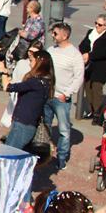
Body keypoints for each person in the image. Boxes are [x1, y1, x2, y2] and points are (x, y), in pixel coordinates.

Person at [45, 22, 85, 171]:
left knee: (64, 130)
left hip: (61, 98)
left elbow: (79, 77)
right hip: (47, 95)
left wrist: (67, 94)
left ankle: (61, 158)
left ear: (65, 35)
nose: (53, 36)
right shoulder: (51, 50)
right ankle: (45, 154)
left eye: (55, 33)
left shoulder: (74, 55)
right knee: (45, 126)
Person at [4, 49, 55, 150]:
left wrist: (3, 72)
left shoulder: (35, 82)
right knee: (16, 153)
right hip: (29, 123)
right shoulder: (46, 81)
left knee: (10, 154)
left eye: (32, 60)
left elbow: (7, 87)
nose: (29, 63)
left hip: (23, 124)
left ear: (39, 63)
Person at [78, 15, 106, 121]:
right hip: (88, 65)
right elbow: (83, 44)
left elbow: (103, 52)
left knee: (96, 88)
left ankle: (98, 113)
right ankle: (91, 110)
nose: (97, 26)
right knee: (87, 87)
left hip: (101, 67)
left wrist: (89, 55)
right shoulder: (91, 32)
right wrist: (84, 53)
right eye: (96, 23)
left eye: (100, 25)